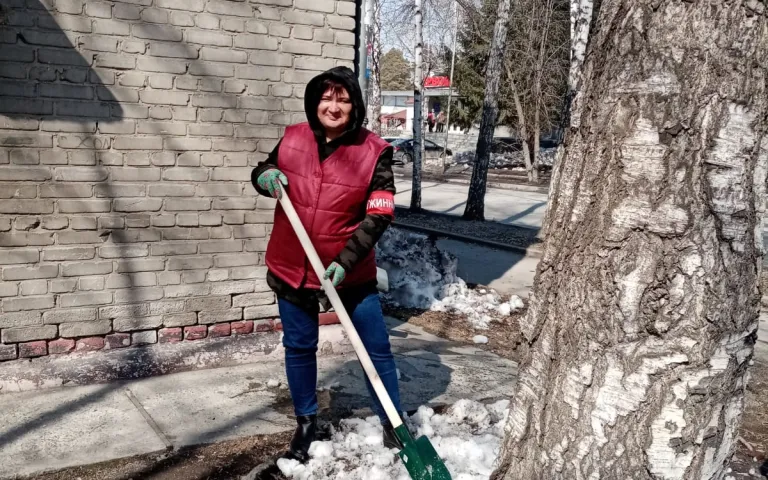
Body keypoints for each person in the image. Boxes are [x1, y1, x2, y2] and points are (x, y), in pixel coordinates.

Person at [250, 67, 404, 462]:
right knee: (299, 346)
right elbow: (264, 169)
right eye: (326, 98)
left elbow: (379, 214)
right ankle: (305, 423)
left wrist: (345, 262)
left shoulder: (375, 151)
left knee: (375, 348)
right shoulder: (293, 138)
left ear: (355, 106)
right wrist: (264, 176)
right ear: (315, 101)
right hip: (291, 267)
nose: (333, 107)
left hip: (350, 272)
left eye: (343, 100)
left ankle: (394, 423)